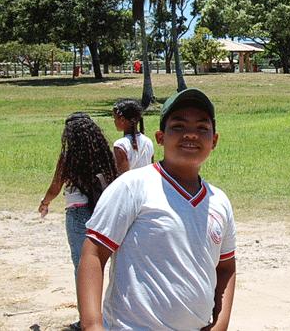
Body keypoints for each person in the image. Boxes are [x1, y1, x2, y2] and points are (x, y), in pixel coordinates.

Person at [76, 88, 237, 331]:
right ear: (160, 137)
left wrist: (220, 324)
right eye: (178, 126)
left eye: (202, 128)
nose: (190, 134)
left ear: (214, 141)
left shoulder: (219, 201)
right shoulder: (133, 186)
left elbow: (226, 267)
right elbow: (93, 254)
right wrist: (92, 325)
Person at [39, 112, 118, 330]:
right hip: (103, 211)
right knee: (110, 265)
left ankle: (87, 319)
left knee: (82, 267)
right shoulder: (104, 153)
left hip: (78, 213)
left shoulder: (69, 157)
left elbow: (56, 186)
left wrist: (45, 202)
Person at [111, 98, 154, 173]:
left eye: (115, 118)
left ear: (122, 120)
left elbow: (122, 176)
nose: (114, 121)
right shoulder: (148, 141)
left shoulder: (120, 145)